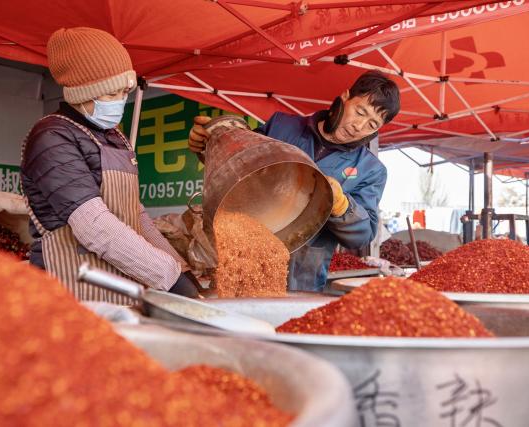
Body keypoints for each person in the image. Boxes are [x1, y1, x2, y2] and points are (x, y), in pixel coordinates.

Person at [21, 27, 199, 303]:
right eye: (109, 95)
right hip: (70, 287)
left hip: (116, 286)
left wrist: (180, 268)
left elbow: (135, 215)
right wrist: (169, 277)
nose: (119, 103)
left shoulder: (114, 137)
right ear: (82, 93)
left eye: (123, 93)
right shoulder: (52, 138)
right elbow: (93, 225)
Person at [188, 70, 400, 290]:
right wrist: (208, 145)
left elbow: (363, 236)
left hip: (303, 275)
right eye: (360, 111)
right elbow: (239, 160)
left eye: (372, 124)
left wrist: (342, 206)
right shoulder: (282, 126)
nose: (359, 125)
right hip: (243, 255)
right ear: (345, 97)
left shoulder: (371, 170)